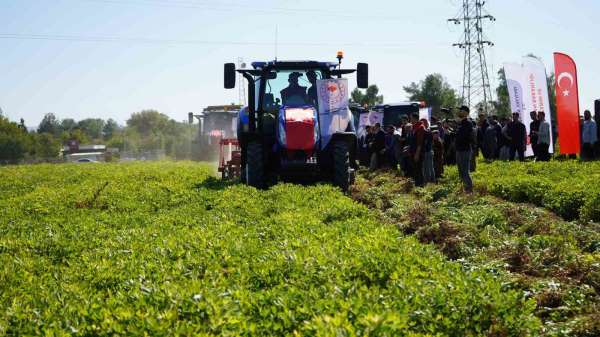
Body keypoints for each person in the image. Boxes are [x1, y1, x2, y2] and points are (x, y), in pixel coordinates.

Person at [455, 106, 475, 193]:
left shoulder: (468, 123)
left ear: (466, 113)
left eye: (461, 110)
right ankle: (464, 189)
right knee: (460, 171)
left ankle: (470, 190)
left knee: (465, 171)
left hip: (465, 150)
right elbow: (459, 135)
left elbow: (464, 136)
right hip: (459, 149)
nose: (459, 111)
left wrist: (457, 133)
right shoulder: (461, 123)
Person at [409, 114, 425, 187]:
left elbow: (420, 143)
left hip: (418, 152)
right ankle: (417, 184)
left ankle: (420, 185)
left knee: (418, 169)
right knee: (415, 168)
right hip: (413, 152)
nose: (410, 120)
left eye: (411, 118)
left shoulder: (420, 127)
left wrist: (417, 154)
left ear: (415, 119)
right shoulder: (414, 127)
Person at [421, 119, 435, 184]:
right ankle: (432, 181)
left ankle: (428, 182)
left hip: (427, 152)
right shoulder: (429, 132)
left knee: (427, 168)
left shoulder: (427, 132)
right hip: (429, 151)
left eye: (422, 123)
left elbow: (425, 143)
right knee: (430, 167)